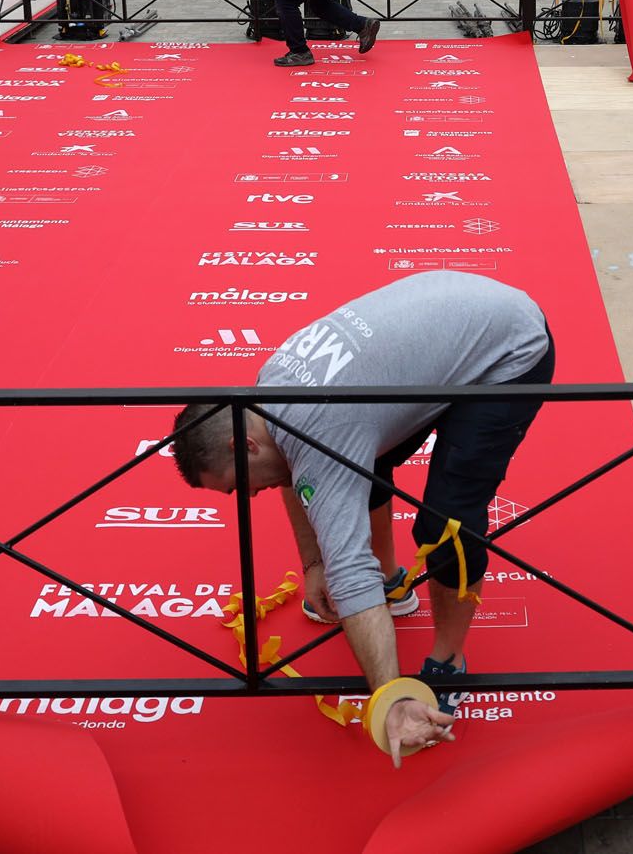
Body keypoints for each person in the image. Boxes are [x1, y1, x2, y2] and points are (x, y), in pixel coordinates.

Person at [172, 272, 555, 761]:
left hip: (508, 349)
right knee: (360, 463)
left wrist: (390, 698)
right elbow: (291, 468)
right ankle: (392, 580)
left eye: (237, 487)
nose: (247, 498)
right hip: (456, 317)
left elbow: (350, 575)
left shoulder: (320, 429)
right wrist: (313, 566)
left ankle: (449, 658)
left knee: (448, 521)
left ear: (242, 444)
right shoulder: (268, 396)